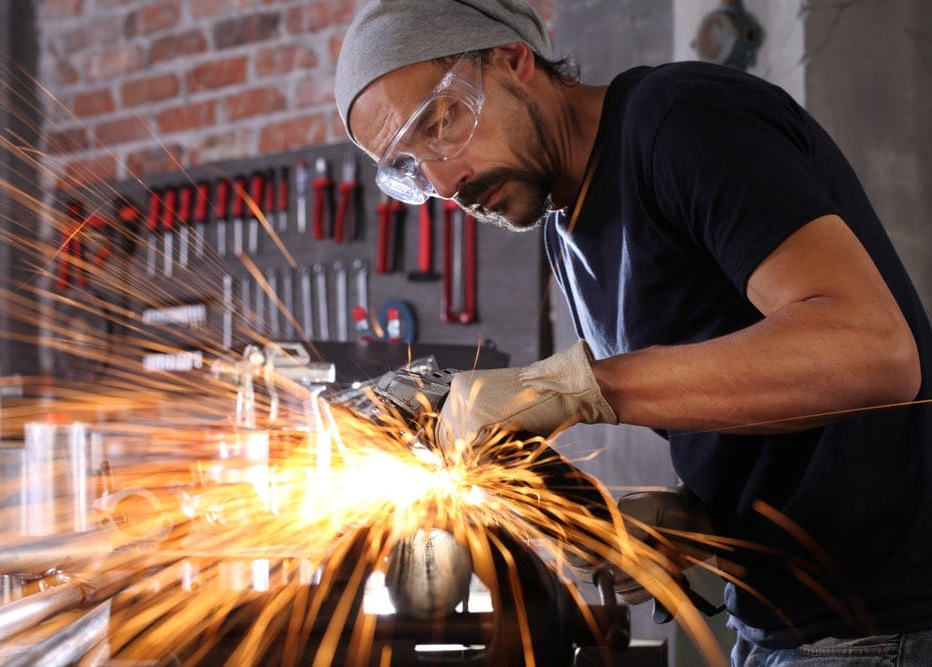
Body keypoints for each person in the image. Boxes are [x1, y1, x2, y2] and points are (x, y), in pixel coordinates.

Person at [334, 1, 932, 664]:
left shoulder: (680, 120)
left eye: (443, 121)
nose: (447, 182)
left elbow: (874, 351)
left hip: (886, 621)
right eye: (412, 169)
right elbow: (751, 394)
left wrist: (571, 387)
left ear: (513, 59)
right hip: (774, 624)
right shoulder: (566, 232)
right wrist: (694, 519)